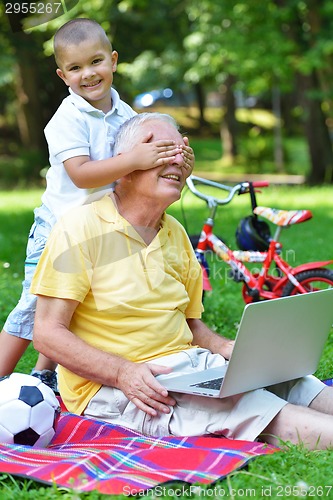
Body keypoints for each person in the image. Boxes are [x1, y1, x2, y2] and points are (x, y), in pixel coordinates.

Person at [31, 112, 333, 450]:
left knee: (292, 381)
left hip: (190, 370)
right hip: (122, 388)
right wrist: (122, 372)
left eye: (180, 151)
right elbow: (46, 332)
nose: (177, 159)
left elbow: (191, 325)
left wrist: (227, 349)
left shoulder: (174, 232)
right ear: (124, 166)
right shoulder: (80, 228)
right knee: (250, 408)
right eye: (162, 150)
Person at [0, 19, 194, 392]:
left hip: (102, 227)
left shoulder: (128, 117)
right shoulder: (66, 119)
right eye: (75, 68)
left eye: (96, 62)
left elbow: (151, 163)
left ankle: (45, 373)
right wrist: (136, 158)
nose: (88, 74)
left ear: (114, 60)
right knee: (33, 308)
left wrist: (180, 159)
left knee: (78, 300)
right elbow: (82, 175)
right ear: (62, 75)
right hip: (58, 225)